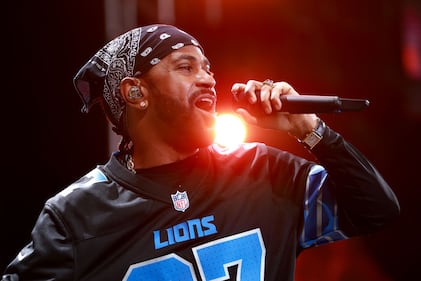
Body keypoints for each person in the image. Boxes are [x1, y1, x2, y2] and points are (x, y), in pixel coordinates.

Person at [2, 24, 399, 281]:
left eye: (207, 67)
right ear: (136, 91)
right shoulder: (74, 217)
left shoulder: (262, 170)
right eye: (186, 67)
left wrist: (311, 131)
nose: (209, 79)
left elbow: (377, 210)